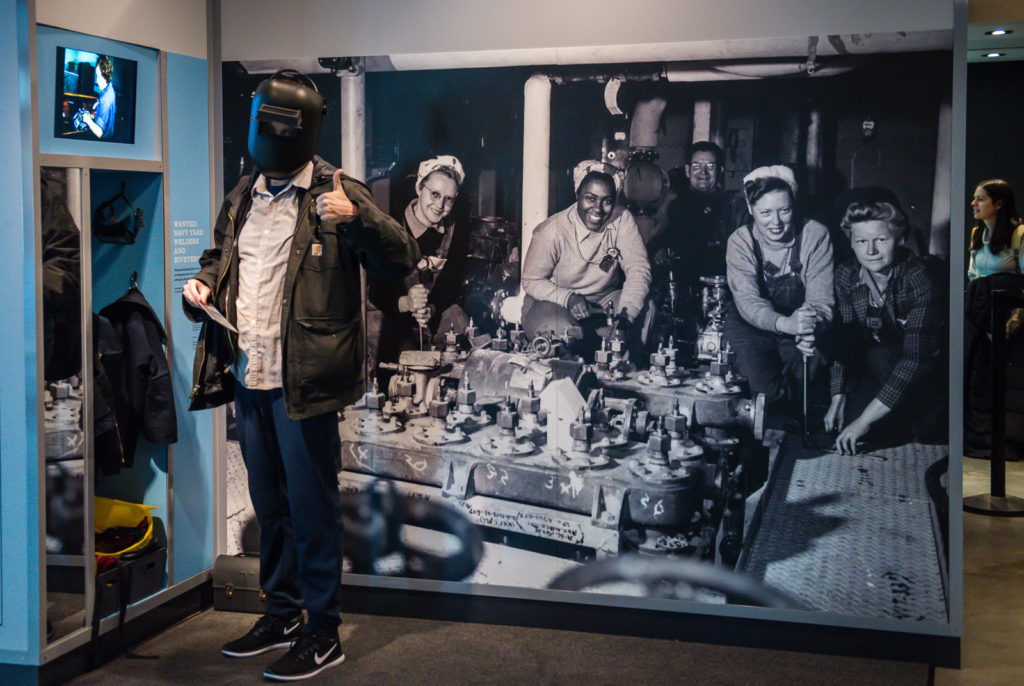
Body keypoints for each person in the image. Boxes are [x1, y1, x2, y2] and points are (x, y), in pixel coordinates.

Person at [182, 71, 418, 682]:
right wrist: (202, 288)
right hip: (249, 375)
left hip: (304, 385)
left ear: (307, 128)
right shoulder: (242, 195)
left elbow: (401, 258)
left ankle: (323, 631)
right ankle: (282, 612)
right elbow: (219, 261)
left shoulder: (338, 190)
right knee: (271, 504)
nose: (278, 134)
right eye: (270, 123)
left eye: (289, 125)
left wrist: (358, 216)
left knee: (312, 510)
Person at [824, 197, 946, 454]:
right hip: (882, 365)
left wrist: (865, 420)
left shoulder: (920, 279)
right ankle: (892, 415)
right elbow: (846, 345)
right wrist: (838, 396)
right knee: (849, 424)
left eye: (880, 240)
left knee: (926, 435)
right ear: (852, 243)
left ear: (900, 239)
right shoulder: (845, 276)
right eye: (861, 241)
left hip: (928, 373)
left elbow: (916, 361)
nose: (870, 250)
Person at [722, 165, 833, 420]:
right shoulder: (740, 241)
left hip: (798, 320)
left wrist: (811, 326)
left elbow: (821, 299)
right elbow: (748, 301)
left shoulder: (816, 235)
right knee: (764, 396)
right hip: (749, 323)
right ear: (751, 210)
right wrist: (786, 324)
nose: (776, 222)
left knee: (812, 365)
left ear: (794, 205)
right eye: (765, 213)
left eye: (784, 210)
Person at [521, 160, 651, 357]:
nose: (598, 209)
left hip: (603, 301)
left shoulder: (622, 219)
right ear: (577, 195)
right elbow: (531, 280)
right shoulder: (551, 231)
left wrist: (625, 318)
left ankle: (625, 374)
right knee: (563, 334)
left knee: (647, 308)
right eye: (590, 199)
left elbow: (638, 269)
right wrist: (569, 298)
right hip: (555, 302)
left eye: (606, 201)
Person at [369, 155, 471, 370]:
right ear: (419, 188)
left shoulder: (455, 232)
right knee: (382, 337)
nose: (440, 205)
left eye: (449, 198)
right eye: (434, 194)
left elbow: (451, 284)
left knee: (458, 320)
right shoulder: (390, 228)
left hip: (429, 313)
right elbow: (376, 291)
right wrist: (407, 303)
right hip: (392, 309)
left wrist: (432, 309)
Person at [649, 141, 747, 277]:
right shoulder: (674, 207)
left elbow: (746, 254)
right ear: (687, 171)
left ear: (720, 171)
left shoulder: (735, 206)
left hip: (725, 283)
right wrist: (660, 252)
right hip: (684, 285)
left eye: (710, 166)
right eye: (696, 166)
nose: (703, 172)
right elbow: (655, 245)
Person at [967, 179, 1023, 281]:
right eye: (974, 198)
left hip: (1009, 296)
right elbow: (972, 273)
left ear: (999, 204)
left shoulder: (1019, 234)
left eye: (980, 199)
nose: (973, 203)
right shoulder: (976, 233)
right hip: (980, 296)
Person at [81, 55, 116, 140]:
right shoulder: (110, 89)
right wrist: (98, 106)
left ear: (104, 75)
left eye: (98, 76)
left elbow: (100, 133)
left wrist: (87, 120)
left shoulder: (105, 99)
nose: (96, 80)